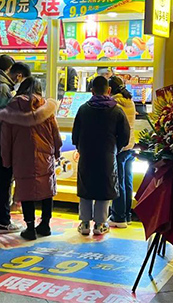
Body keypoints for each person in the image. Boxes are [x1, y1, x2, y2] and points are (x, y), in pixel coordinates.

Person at [0, 77, 62, 240]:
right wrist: (57, 151)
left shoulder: (12, 108)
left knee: (26, 190)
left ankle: (30, 228)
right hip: (45, 155)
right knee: (47, 189)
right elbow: (55, 133)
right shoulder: (46, 107)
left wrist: (6, 159)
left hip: (21, 156)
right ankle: (45, 224)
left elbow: (5, 139)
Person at [72, 76, 130, 236]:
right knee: (105, 188)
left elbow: (75, 134)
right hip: (107, 155)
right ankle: (100, 224)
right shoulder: (117, 110)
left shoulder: (83, 109)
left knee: (86, 187)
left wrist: (80, 147)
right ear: (109, 90)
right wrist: (116, 148)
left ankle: (84, 223)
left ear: (92, 91)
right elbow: (125, 136)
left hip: (87, 155)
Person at [0, 58, 30, 233]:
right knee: (3, 182)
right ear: (18, 76)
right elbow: (0, 117)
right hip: (0, 141)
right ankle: (4, 221)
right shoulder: (2, 89)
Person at [108, 75, 137, 228]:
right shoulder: (129, 101)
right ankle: (127, 215)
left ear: (110, 89)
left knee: (118, 182)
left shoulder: (115, 104)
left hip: (119, 148)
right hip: (130, 146)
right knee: (127, 181)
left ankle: (118, 217)